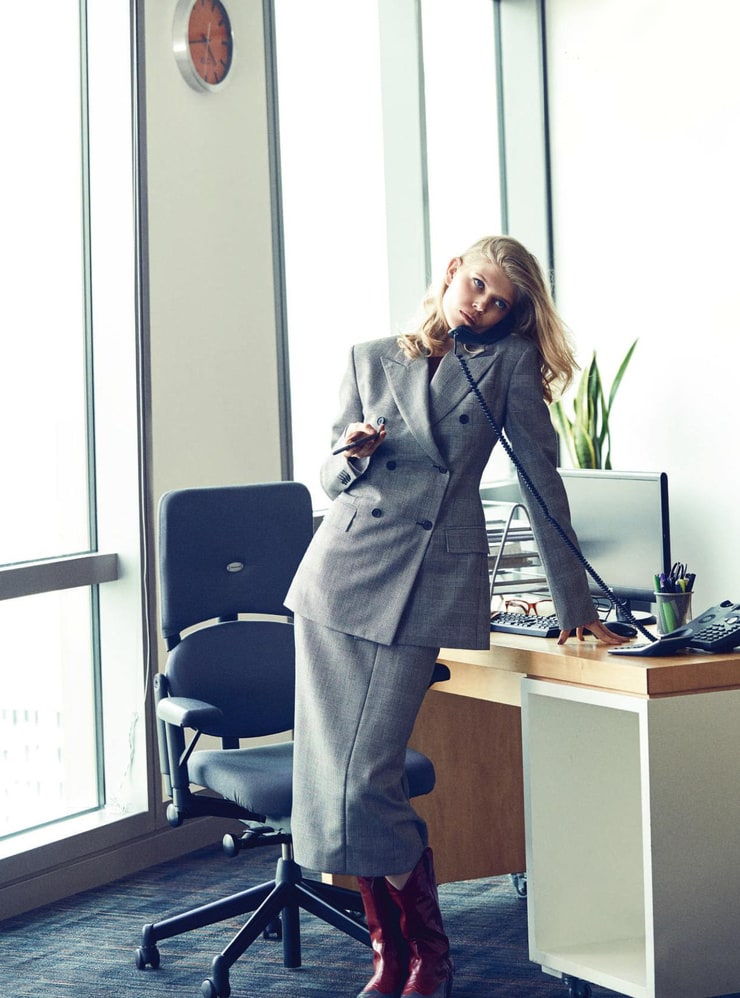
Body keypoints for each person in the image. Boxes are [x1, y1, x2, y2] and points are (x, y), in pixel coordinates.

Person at [284, 234, 629, 998]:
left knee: (365, 778)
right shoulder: (369, 357)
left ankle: (430, 956)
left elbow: (541, 483)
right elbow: (329, 478)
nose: (481, 305)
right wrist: (351, 453)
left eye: (499, 301)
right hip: (337, 579)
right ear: (451, 272)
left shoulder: (505, 367)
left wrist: (575, 604)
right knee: (331, 780)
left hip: (423, 584)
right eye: (476, 285)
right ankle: (394, 956)